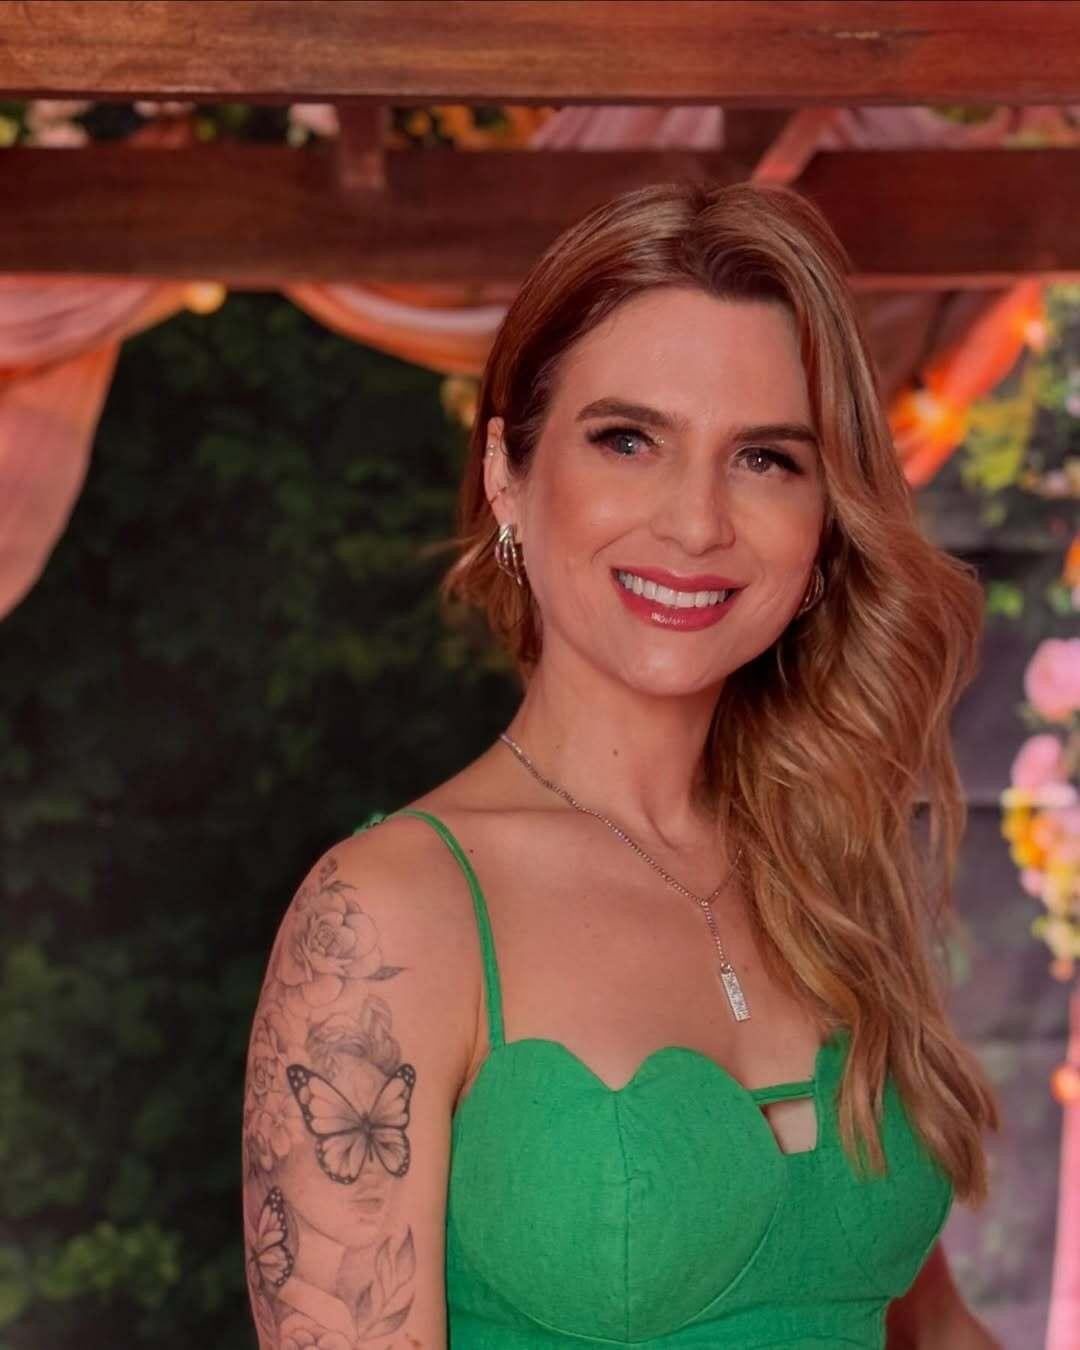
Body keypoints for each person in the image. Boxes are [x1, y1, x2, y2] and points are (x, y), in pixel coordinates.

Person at [242, 179, 1003, 1349]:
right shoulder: (388, 916)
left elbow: (930, 1331)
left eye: (766, 459)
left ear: (824, 521)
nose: (696, 523)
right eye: (628, 440)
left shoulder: (829, 863)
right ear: (508, 475)